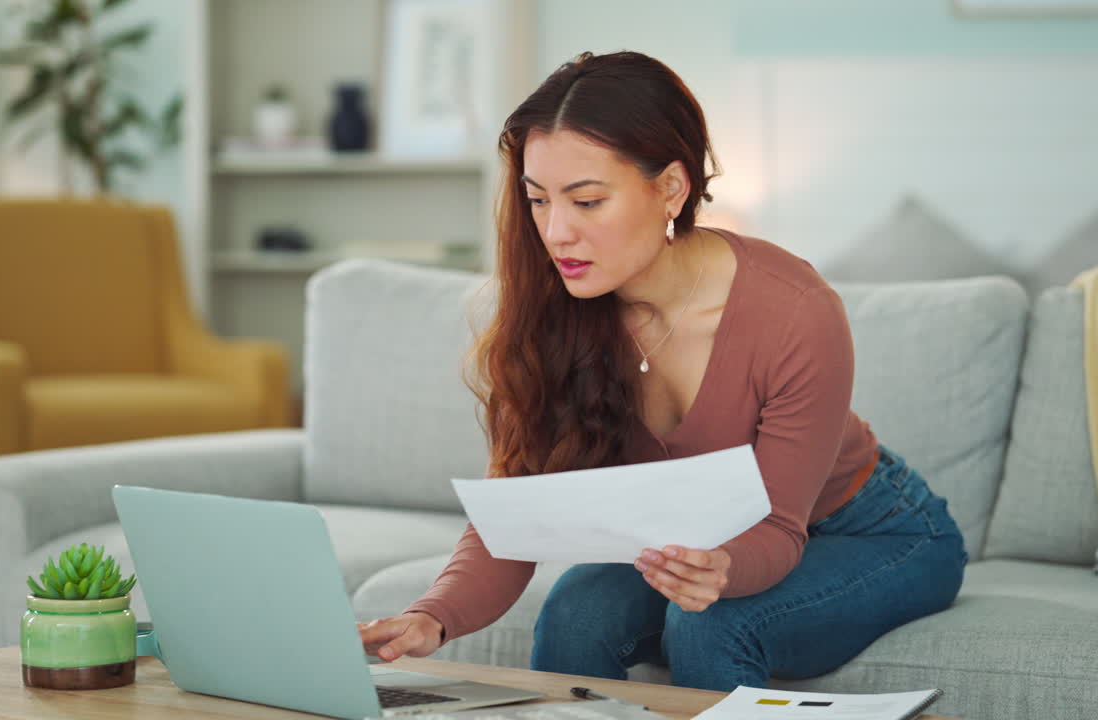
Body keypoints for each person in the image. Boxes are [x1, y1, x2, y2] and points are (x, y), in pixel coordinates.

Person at [358, 50, 967, 692]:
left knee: (708, 624)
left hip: (869, 531)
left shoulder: (795, 310)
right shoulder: (553, 311)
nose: (556, 232)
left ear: (671, 188)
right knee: (574, 613)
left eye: (587, 201)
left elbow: (779, 527)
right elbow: (513, 510)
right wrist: (433, 617)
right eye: (538, 201)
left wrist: (720, 569)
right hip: (694, 543)